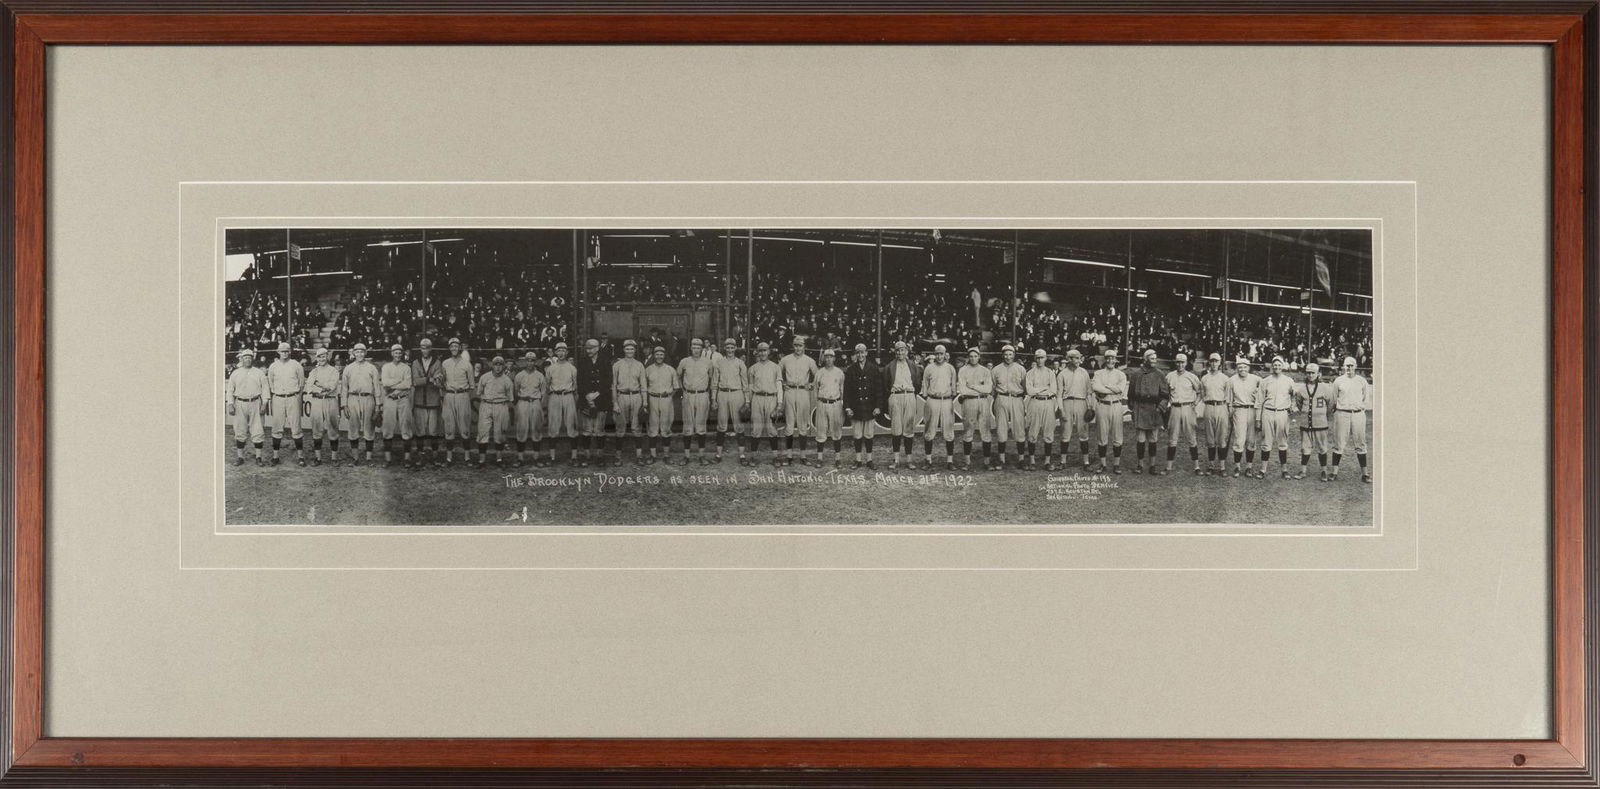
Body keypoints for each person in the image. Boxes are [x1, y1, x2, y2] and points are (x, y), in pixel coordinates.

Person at [1126, 349, 1170, 475]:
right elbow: (1130, 395)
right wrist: (1133, 408)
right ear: (1145, 359)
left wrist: (1159, 408)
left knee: (1153, 439)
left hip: (1154, 410)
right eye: (1152, 358)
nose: (1154, 361)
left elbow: (1165, 395)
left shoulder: (1160, 374)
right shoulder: (1136, 374)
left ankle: (1152, 465)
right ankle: (1140, 465)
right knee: (1140, 439)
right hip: (1140, 409)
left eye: (1156, 359)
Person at [1330, 355, 1373, 483]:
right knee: (1339, 443)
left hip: (1358, 414)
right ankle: (1334, 472)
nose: (1349, 368)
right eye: (1347, 365)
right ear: (1343, 366)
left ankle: (1365, 474)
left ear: (1355, 366)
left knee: (1360, 443)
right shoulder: (1338, 381)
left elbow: (1366, 398)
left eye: (1351, 365)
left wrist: (1359, 409)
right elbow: (1333, 398)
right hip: (1342, 413)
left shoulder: (1362, 381)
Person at [881, 341, 923, 470]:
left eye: (902, 350)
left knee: (909, 429)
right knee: (896, 430)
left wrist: (910, 394)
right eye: (898, 350)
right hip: (895, 396)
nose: (900, 353)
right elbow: (885, 385)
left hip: (909, 395)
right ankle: (896, 460)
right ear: (895, 352)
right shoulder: (889, 367)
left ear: (907, 351)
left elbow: (917, 384)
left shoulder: (913, 366)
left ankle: (909, 460)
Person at [265, 341, 306, 466]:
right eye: (282, 351)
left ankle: (300, 456)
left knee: (296, 428)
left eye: (287, 350)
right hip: (278, 398)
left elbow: (301, 383)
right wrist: (275, 395)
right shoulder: (273, 366)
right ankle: (276, 456)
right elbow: (270, 383)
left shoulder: (296, 365)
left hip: (293, 397)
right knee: (277, 427)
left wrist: (297, 397)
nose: (285, 353)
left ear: (290, 351)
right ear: (278, 352)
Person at [779, 336, 818, 466]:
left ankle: (803, 456)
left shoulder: (809, 360)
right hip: (789, 391)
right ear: (793, 346)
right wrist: (783, 384)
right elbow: (777, 375)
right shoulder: (785, 359)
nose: (798, 348)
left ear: (804, 347)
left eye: (800, 345)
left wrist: (812, 385)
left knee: (802, 425)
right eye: (796, 345)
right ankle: (789, 456)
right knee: (789, 425)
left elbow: (817, 376)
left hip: (803, 391)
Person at [340, 342, 381, 466]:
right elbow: (344, 389)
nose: (359, 354)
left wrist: (378, 405)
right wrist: (344, 405)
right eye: (357, 352)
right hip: (352, 399)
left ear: (365, 353)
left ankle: (369, 459)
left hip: (368, 398)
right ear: (353, 353)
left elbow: (377, 387)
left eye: (362, 351)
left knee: (369, 429)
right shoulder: (348, 368)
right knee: (353, 429)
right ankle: (355, 458)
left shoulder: (372, 368)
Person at [225, 348, 268, 467]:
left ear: (252, 359)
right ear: (241, 359)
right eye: (245, 357)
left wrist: (264, 404)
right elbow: (230, 390)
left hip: (255, 402)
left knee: (258, 430)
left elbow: (265, 389)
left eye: (249, 357)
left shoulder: (259, 372)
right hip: (240, 403)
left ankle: (258, 457)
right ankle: (240, 457)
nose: (247, 359)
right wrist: (230, 404)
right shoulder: (236, 373)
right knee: (240, 430)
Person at [843, 342, 883, 469]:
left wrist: (878, 406)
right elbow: (847, 391)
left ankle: (869, 460)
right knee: (857, 435)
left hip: (870, 406)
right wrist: (847, 407)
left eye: (862, 352)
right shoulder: (850, 370)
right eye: (858, 352)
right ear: (855, 354)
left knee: (869, 435)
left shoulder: (874, 368)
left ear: (866, 353)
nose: (860, 355)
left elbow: (879, 390)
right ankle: (858, 460)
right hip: (856, 407)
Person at [1257, 355, 1297, 479]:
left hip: (1282, 413)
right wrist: (1258, 419)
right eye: (1275, 364)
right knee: (1266, 442)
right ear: (1272, 366)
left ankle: (1284, 470)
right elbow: (1259, 401)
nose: (1277, 367)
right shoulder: (1265, 380)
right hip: (1268, 412)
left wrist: (1292, 407)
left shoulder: (1289, 381)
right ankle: (1263, 470)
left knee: (1282, 442)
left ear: (1283, 366)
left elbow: (1294, 396)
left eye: (1279, 364)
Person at [575, 338, 613, 468]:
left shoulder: (606, 362)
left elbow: (608, 382)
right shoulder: (582, 362)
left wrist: (596, 394)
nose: (588, 350)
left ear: (597, 348)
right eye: (587, 348)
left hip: (601, 400)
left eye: (591, 348)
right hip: (586, 400)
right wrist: (587, 396)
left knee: (599, 429)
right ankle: (586, 456)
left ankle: (600, 457)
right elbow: (580, 381)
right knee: (586, 430)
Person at [677, 338, 715, 465]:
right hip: (688, 395)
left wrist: (707, 392)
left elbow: (711, 379)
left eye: (698, 347)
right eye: (694, 347)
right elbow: (678, 376)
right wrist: (683, 390)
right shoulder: (684, 361)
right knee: (687, 427)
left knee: (701, 427)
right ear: (691, 348)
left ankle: (701, 456)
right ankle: (686, 456)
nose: (696, 349)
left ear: (702, 349)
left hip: (702, 395)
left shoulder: (708, 362)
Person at [1089, 350, 1129, 473]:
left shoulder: (1121, 374)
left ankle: (1116, 465)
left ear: (1116, 360)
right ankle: (1103, 464)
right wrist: (1113, 389)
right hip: (1102, 406)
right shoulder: (1098, 373)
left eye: (1113, 358)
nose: (1110, 360)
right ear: (1105, 359)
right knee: (1102, 436)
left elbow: (1121, 389)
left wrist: (1105, 388)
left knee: (1117, 436)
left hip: (1116, 405)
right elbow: (1095, 387)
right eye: (1108, 358)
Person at [921, 344, 959, 469]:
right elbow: (925, 385)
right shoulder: (929, 368)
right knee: (929, 431)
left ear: (945, 354)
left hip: (947, 400)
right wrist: (928, 397)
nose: (939, 356)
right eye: (937, 354)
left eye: (941, 354)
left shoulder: (950, 368)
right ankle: (928, 460)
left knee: (948, 431)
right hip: (933, 400)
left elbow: (954, 387)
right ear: (934, 354)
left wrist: (950, 396)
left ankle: (950, 461)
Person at [1224, 357, 1264, 478]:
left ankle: (1249, 467)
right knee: (1239, 439)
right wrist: (1230, 414)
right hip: (1239, 409)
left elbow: (1265, 389)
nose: (1242, 369)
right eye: (1240, 367)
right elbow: (1229, 400)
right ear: (1237, 368)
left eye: (1245, 367)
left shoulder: (1256, 379)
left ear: (1249, 367)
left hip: (1252, 410)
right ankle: (1237, 467)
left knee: (1251, 440)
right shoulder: (1231, 380)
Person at [1293, 362, 1333, 480]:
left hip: (1321, 423)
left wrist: (1322, 414)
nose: (1310, 375)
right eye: (1308, 373)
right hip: (1305, 423)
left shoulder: (1325, 388)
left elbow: (1330, 404)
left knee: (1322, 447)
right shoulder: (1301, 389)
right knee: (1305, 447)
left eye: (1313, 373)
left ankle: (1324, 471)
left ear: (1318, 374)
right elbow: (1299, 403)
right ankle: (1303, 470)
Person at [956, 347, 993, 471]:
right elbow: (963, 390)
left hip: (983, 400)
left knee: (985, 431)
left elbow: (988, 389)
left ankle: (987, 462)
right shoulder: (963, 370)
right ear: (968, 357)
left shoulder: (985, 371)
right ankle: (967, 462)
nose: (973, 358)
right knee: (968, 431)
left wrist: (972, 386)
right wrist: (979, 388)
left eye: (975, 356)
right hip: (968, 401)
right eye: (971, 356)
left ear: (979, 357)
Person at [1055, 348, 1092, 471]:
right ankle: (1062, 461)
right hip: (1067, 402)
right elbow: (1059, 394)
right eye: (1075, 358)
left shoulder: (1084, 372)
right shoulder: (1062, 374)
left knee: (1083, 433)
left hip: (1081, 403)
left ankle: (1086, 462)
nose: (1078, 360)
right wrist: (1061, 409)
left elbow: (1089, 392)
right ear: (1069, 359)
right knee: (1065, 433)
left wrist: (1090, 407)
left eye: (1078, 357)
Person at [990, 344, 1027, 468]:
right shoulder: (996, 369)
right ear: (1002, 355)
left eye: (1010, 354)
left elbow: (1025, 386)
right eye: (1005, 354)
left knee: (1019, 428)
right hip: (1001, 397)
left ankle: (1021, 460)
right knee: (1001, 428)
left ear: (1014, 355)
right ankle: (1001, 459)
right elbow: (993, 387)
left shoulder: (1020, 369)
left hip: (1017, 398)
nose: (1008, 357)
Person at [474, 355, 515, 467]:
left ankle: (499, 460)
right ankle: (481, 461)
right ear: (492, 365)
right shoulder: (485, 377)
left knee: (500, 433)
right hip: (486, 404)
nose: (498, 367)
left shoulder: (507, 380)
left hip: (501, 405)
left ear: (503, 366)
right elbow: (480, 392)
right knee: (483, 432)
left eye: (500, 365)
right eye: (495, 364)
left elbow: (510, 397)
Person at [611, 339, 647, 466]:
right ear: (623, 349)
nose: (629, 351)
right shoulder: (617, 365)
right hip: (622, 396)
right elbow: (614, 385)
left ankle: (639, 456)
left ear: (635, 350)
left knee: (637, 427)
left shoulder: (639, 365)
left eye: (632, 349)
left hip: (636, 396)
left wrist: (645, 403)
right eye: (627, 349)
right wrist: (615, 402)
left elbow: (643, 385)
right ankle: (618, 456)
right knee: (620, 427)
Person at [440, 338, 475, 465]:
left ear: (460, 347)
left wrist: (465, 398)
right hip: (449, 395)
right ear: (449, 348)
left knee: (465, 428)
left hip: (463, 395)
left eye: (456, 346)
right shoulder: (445, 363)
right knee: (449, 427)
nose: (454, 348)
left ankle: (467, 457)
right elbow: (442, 382)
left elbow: (472, 386)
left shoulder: (467, 364)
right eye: (452, 346)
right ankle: (449, 458)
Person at [711, 338, 747, 464]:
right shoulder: (718, 362)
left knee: (739, 426)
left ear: (735, 348)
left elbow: (745, 384)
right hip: (722, 394)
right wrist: (713, 399)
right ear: (724, 348)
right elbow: (714, 383)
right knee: (721, 426)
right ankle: (718, 455)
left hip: (737, 394)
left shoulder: (740, 363)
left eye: (732, 347)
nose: (730, 350)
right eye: (728, 347)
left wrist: (747, 401)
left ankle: (742, 456)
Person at [746, 342, 782, 466]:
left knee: (771, 429)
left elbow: (779, 386)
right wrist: (749, 402)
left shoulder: (775, 367)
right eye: (760, 351)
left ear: (769, 352)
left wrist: (779, 403)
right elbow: (750, 387)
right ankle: (753, 457)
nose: (762, 353)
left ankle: (776, 457)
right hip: (757, 398)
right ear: (757, 352)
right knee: (756, 429)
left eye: (765, 350)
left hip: (771, 398)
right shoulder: (753, 368)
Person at [304, 347, 342, 466]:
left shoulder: (333, 371)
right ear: (316, 358)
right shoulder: (313, 372)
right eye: (319, 356)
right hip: (317, 401)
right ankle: (318, 458)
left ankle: (334, 458)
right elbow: (309, 387)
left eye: (324, 356)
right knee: (317, 429)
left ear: (327, 357)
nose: (321, 358)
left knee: (333, 429)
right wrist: (321, 388)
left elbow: (331, 386)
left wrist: (318, 384)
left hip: (330, 401)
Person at [410, 337, 445, 467]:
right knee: (420, 431)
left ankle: (434, 457)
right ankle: (420, 457)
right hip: (419, 400)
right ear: (420, 348)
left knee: (433, 431)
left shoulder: (437, 362)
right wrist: (430, 379)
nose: (425, 350)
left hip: (433, 401)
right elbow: (415, 381)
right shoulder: (415, 363)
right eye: (423, 347)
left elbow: (439, 382)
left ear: (431, 348)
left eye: (428, 347)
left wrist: (427, 379)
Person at [379, 343, 415, 467]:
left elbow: (407, 384)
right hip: (389, 400)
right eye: (395, 352)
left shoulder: (406, 367)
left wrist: (393, 386)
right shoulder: (386, 367)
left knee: (406, 427)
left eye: (400, 353)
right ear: (392, 353)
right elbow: (385, 383)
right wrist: (399, 381)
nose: (398, 355)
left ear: (402, 354)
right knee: (388, 428)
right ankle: (387, 459)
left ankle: (407, 458)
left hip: (403, 399)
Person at [544, 342, 579, 465]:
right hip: (555, 396)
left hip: (568, 396)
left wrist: (575, 400)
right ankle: (552, 457)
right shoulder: (551, 368)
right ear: (555, 352)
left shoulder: (572, 368)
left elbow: (575, 386)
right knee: (553, 427)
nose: (561, 353)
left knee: (571, 426)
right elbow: (547, 385)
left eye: (563, 351)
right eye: (559, 351)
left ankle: (574, 457)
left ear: (567, 352)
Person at [811, 348, 847, 467]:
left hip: (835, 404)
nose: (829, 359)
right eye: (826, 357)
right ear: (824, 358)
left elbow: (842, 390)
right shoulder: (819, 373)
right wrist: (818, 403)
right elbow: (815, 390)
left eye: (831, 357)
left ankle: (837, 459)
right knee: (821, 432)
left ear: (834, 358)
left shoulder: (839, 372)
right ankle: (819, 458)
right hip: (822, 403)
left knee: (836, 432)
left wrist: (841, 404)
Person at [1023, 348, 1058, 470]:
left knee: (1048, 433)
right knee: (1032, 432)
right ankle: (1032, 461)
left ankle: (1047, 462)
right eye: (1037, 357)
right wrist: (1043, 389)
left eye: (1042, 357)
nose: (1039, 360)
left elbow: (1053, 390)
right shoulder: (1030, 373)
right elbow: (1030, 391)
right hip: (1034, 402)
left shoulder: (1050, 372)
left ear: (1046, 358)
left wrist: (1038, 389)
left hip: (1048, 403)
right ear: (1035, 359)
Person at [643, 345, 679, 464]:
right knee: (652, 428)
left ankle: (666, 455)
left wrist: (668, 397)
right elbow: (643, 386)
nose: (659, 356)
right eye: (657, 354)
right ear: (654, 355)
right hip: (652, 398)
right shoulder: (648, 369)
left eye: (661, 354)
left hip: (666, 399)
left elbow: (675, 388)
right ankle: (653, 456)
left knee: (666, 428)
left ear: (664, 356)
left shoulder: (670, 369)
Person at [1198, 352, 1231, 476]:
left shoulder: (1225, 378)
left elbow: (1228, 396)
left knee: (1222, 438)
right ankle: (1211, 466)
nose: (1213, 363)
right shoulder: (1204, 378)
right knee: (1210, 438)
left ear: (1219, 363)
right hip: (1209, 407)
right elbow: (1202, 394)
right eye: (1211, 361)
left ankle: (1222, 467)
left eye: (1216, 361)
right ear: (1209, 362)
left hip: (1221, 407)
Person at [513, 350, 547, 467]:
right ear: (525, 361)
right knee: (521, 430)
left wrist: (539, 405)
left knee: (536, 430)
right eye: (528, 360)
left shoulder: (540, 375)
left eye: (532, 361)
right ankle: (520, 458)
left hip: (535, 402)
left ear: (535, 362)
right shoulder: (519, 375)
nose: (530, 363)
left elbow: (543, 393)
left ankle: (536, 458)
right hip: (522, 402)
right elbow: (516, 392)